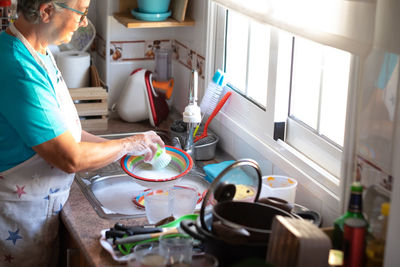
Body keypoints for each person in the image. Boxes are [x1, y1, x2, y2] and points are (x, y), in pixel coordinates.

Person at [0, 0, 164, 266]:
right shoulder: (19, 69)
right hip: (14, 223)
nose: (84, 22)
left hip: (32, 214)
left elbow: (65, 134)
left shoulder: (37, 51)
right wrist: (129, 143)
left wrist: (127, 149)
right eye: (82, 13)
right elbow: (70, 157)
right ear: (46, 11)